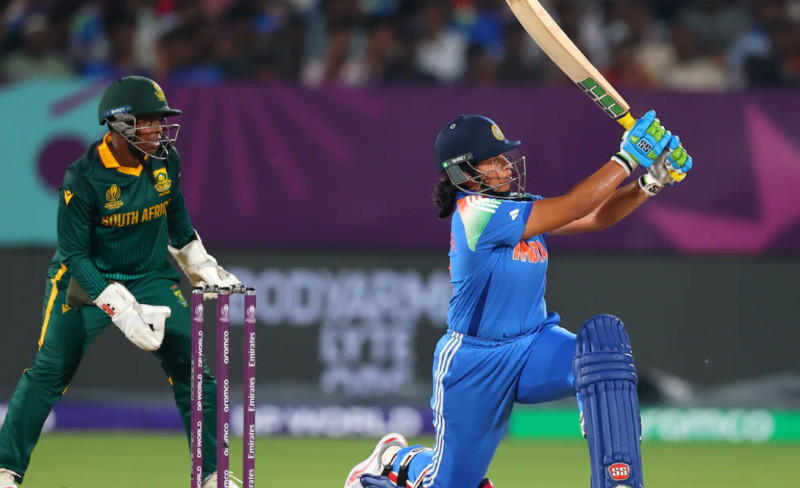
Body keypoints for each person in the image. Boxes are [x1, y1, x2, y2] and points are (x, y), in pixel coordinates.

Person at [344, 111, 693, 488]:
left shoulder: (518, 207)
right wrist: (627, 157)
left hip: (533, 346)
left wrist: (651, 181)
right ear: (464, 173)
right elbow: (576, 205)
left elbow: (595, 217)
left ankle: (618, 481)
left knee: (603, 354)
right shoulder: (476, 214)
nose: (506, 165)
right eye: (493, 160)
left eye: (503, 156)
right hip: (474, 363)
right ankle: (394, 459)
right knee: (449, 484)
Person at [0, 76, 243, 488]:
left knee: (195, 372)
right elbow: (75, 255)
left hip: (149, 274)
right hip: (84, 282)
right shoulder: (83, 178)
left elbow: (177, 221)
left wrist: (201, 265)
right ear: (119, 125)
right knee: (49, 372)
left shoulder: (166, 161)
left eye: (160, 121)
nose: (159, 130)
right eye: (149, 121)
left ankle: (213, 475)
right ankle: (5, 469)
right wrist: (120, 308)